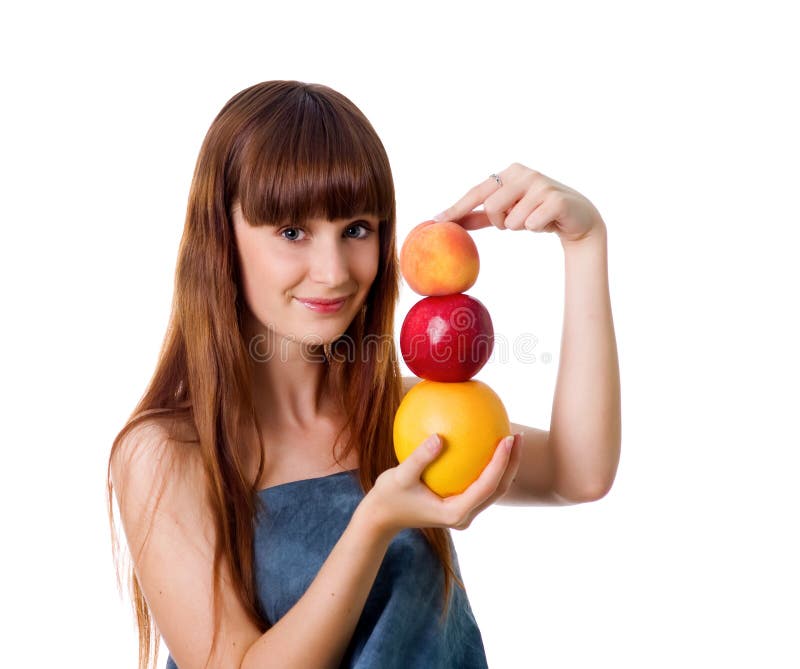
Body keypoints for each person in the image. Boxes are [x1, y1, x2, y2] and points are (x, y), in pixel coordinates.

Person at [107, 80, 621, 669]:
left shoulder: (398, 414)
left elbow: (577, 474)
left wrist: (584, 245)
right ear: (222, 238)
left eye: (355, 229)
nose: (332, 272)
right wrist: (373, 521)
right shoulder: (165, 453)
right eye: (292, 232)